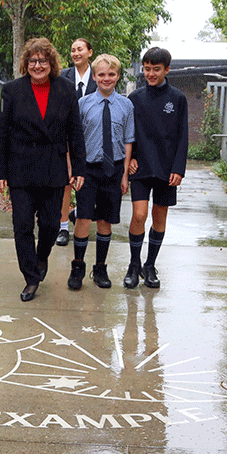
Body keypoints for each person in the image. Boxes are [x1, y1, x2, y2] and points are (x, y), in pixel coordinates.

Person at [0, 37, 87, 302]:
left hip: (53, 168)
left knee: (50, 225)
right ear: (26, 63)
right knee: (22, 225)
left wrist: (79, 167)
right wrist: (0, 172)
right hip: (21, 169)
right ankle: (31, 278)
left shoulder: (66, 89)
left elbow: (75, 132)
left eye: (43, 61)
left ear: (51, 63)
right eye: (33, 61)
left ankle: (41, 257)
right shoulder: (12, 90)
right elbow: (1, 133)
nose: (38, 66)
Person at [68, 54, 134, 290]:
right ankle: (78, 266)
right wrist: (74, 169)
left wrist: (124, 174)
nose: (107, 78)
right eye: (102, 74)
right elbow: (74, 139)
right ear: (94, 77)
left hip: (113, 169)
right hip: (88, 169)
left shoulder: (126, 106)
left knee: (106, 220)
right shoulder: (83, 104)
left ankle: (100, 268)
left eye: (111, 74)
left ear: (118, 76)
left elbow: (128, 140)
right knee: (84, 217)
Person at [125, 47, 188, 289]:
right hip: (140, 167)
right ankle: (134, 264)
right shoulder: (135, 98)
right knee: (139, 215)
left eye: (156, 69)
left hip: (166, 168)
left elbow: (183, 136)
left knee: (159, 217)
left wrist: (178, 169)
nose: (151, 74)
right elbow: (128, 134)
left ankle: (149, 266)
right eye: (147, 69)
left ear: (167, 69)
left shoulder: (178, 99)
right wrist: (130, 158)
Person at [56, 38, 96, 247]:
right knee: (66, 183)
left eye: (80, 49)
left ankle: (78, 214)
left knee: (89, 184)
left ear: (90, 52)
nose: (76, 53)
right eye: (72, 50)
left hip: (92, 139)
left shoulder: (99, 76)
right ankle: (63, 227)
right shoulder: (63, 77)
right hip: (66, 138)